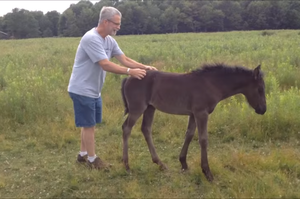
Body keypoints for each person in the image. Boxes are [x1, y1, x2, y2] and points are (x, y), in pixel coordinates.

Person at [68, 6, 157, 169]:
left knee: (89, 124)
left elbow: (124, 59)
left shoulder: (109, 40)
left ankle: (82, 155)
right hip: (81, 89)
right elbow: (105, 64)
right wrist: (130, 72)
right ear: (105, 21)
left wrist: (145, 67)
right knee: (89, 126)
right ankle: (93, 160)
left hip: (94, 90)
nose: (118, 27)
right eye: (116, 23)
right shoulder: (91, 38)